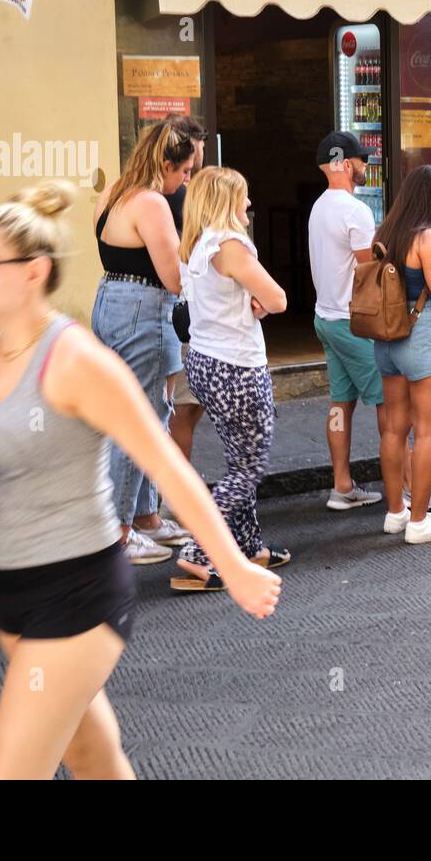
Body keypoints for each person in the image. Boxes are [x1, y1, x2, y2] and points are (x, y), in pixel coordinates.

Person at [0, 182, 281, 779]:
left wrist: (236, 565)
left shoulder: (76, 360)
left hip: (77, 596)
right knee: (93, 757)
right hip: (9, 594)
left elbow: (166, 466)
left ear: (33, 272)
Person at [307, 132, 431, 514]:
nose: (365, 166)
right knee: (391, 418)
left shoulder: (318, 207)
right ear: (343, 164)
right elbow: (376, 271)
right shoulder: (355, 211)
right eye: (360, 160)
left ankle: (342, 484)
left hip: (326, 316)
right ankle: (410, 490)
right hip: (363, 322)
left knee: (340, 403)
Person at [173, 167, 291, 588]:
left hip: (204, 363)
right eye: (243, 197)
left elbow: (224, 299)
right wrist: (261, 300)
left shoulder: (196, 246)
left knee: (239, 460)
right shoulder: (232, 246)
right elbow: (277, 299)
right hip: (238, 366)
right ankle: (197, 550)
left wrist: (250, 300)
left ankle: (249, 546)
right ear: (225, 201)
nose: (249, 204)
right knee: (249, 469)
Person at [91, 120, 196, 564]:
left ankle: (146, 515)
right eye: (185, 170)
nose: (186, 180)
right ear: (165, 164)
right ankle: (120, 529)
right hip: (145, 307)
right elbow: (174, 276)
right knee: (145, 417)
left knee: (136, 412)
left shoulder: (113, 191)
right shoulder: (152, 203)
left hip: (109, 298)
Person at [372, 166, 431, 544]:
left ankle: (395, 513)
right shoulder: (426, 236)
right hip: (422, 339)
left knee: (395, 429)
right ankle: (419, 522)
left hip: (387, 341)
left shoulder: (386, 232)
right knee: (428, 433)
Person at [160, 115, 208, 522]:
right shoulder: (178, 199)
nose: (194, 172)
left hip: (174, 315)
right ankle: (175, 500)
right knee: (182, 411)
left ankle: (171, 498)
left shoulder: (149, 197)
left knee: (179, 410)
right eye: (191, 165)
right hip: (180, 317)